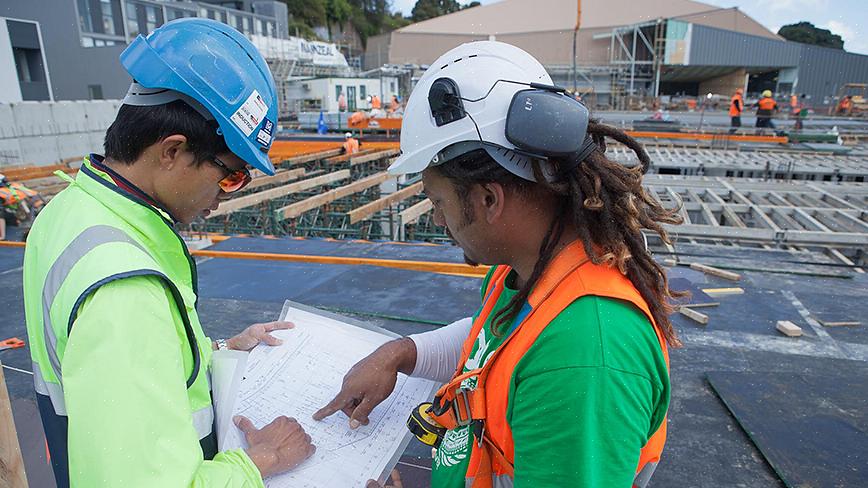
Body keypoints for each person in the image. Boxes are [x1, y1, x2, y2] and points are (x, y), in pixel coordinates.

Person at [314, 41, 681, 488]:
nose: (436, 219)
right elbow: (491, 346)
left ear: (489, 199)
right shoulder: (532, 271)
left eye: (438, 201)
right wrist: (399, 354)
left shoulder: (583, 356)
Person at [23, 18, 314, 487]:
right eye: (230, 175)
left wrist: (213, 351)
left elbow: (112, 372)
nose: (225, 196)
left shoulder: (69, 211)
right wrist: (261, 461)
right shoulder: (124, 288)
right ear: (172, 151)